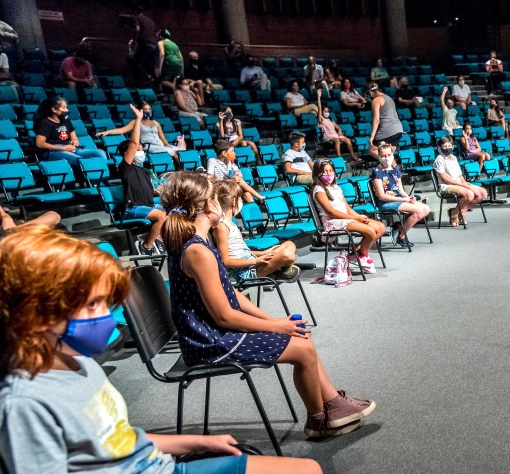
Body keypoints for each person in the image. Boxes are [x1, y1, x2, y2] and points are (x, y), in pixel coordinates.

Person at [0, 226, 334, 474]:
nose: (106, 316)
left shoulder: (78, 362)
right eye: (93, 305)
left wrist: (192, 440)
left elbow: (112, 441)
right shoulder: (24, 404)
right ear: (33, 313)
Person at [159, 170, 377, 440]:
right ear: (205, 206)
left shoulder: (200, 243)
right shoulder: (197, 251)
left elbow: (231, 295)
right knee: (303, 349)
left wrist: (273, 322)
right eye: (215, 198)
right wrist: (275, 325)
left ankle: (332, 404)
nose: (220, 204)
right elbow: (225, 316)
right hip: (210, 342)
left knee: (299, 333)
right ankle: (319, 421)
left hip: (214, 333)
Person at [0, 154, 60, 254]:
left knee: (53, 216)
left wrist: (6, 218)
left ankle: (16, 235)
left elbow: (0, 212)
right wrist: (3, 235)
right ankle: (17, 237)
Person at [212, 179, 299, 281]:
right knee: (287, 255)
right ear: (234, 201)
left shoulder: (231, 224)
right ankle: (278, 270)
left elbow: (242, 252)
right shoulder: (222, 227)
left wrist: (262, 253)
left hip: (252, 260)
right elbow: (225, 260)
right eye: (241, 199)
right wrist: (256, 261)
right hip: (245, 272)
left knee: (289, 244)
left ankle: (276, 270)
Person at [310, 159, 385, 273]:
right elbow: (331, 212)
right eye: (324, 171)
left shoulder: (336, 187)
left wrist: (360, 217)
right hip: (332, 221)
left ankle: (353, 255)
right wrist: (356, 219)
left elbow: (347, 208)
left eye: (330, 170)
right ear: (317, 173)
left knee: (380, 227)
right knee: (370, 231)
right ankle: (363, 257)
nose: (328, 174)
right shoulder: (318, 189)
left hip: (345, 218)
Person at [114, 105, 168, 255]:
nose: (141, 151)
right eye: (138, 149)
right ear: (127, 153)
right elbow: (132, 143)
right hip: (132, 208)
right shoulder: (126, 167)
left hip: (148, 204)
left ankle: (160, 240)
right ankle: (146, 246)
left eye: (141, 149)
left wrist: (156, 191)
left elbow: (147, 191)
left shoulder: (144, 170)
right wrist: (138, 119)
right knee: (161, 215)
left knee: (175, 210)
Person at [370, 143, 430, 248]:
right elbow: (382, 196)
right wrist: (404, 199)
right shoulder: (377, 172)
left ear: (392, 155)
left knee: (426, 208)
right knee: (418, 211)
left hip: (399, 199)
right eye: (383, 156)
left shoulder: (395, 169)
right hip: (386, 202)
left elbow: (401, 190)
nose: (386, 158)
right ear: (379, 156)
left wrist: (409, 197)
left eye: (388, 155)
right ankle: (401, 236)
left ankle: (399, 228)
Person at [34, 97, 107, 165]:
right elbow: (39, 143)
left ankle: (104, 172)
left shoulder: (66, 121)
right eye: (64, 108)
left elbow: (74, 138)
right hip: (52, 151)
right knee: (82, 160)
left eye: (66, 107)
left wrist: (75, 142)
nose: (67, 110)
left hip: (67, 148)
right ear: (54, 109)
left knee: (100, 152)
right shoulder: (45, 123)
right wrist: (62, 148)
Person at [433, 135, 487, 225]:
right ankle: (454, 214)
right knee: (469, 194)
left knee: (482, 193)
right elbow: (445, 178)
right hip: (447, 186)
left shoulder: (453, 158)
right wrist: (462, 185)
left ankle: (461, 211)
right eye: (445, 146)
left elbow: (459, 175)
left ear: (453, 146)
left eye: (449, 146)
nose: (447, 148)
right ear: (440, 148)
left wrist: (464, 182)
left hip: (459, 183)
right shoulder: (439, 160)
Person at [96, 102, 181, 158]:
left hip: (160, 145)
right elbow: (122, 130)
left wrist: (167, 144)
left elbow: (162, 137)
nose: (148, 111)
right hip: (149, 146)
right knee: (172, 151)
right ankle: (179, 169)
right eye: (145, 109)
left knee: (181, 150)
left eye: (149, 109)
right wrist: (106, 132)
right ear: (140, 111)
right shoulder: (136, 122)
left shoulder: (156, 123)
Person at [317, 90, 358, 161]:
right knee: (337, 140)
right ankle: (339, 157)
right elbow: (319, 108)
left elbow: (338, 127)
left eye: (327, 111)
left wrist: (339, 131)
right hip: (328, 136)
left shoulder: (331, 119)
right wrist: (318, 97)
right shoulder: (321, 120)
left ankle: (353, 157)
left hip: (335, 135)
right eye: (325, 111)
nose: (327, 112)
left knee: (348, 140)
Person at [367, 82, 403, 159]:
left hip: (387, 130)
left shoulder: (376, 100)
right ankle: (394, 170)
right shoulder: (389, 98)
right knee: (389, 155)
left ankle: (388, 166)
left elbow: (376, 119)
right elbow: (395, 115)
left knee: (372, 149)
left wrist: (372, 137)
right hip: (398, 129)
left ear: (371, 91)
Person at [128, 6, 158, 83]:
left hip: (145, 42)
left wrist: (134, 40)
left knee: (135, 61)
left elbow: (137, 29)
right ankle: (156, 83)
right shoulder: (151, 20)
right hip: (154, 44)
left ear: (135, 12)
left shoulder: (137, 18)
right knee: (151, 64)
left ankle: (147, 77)